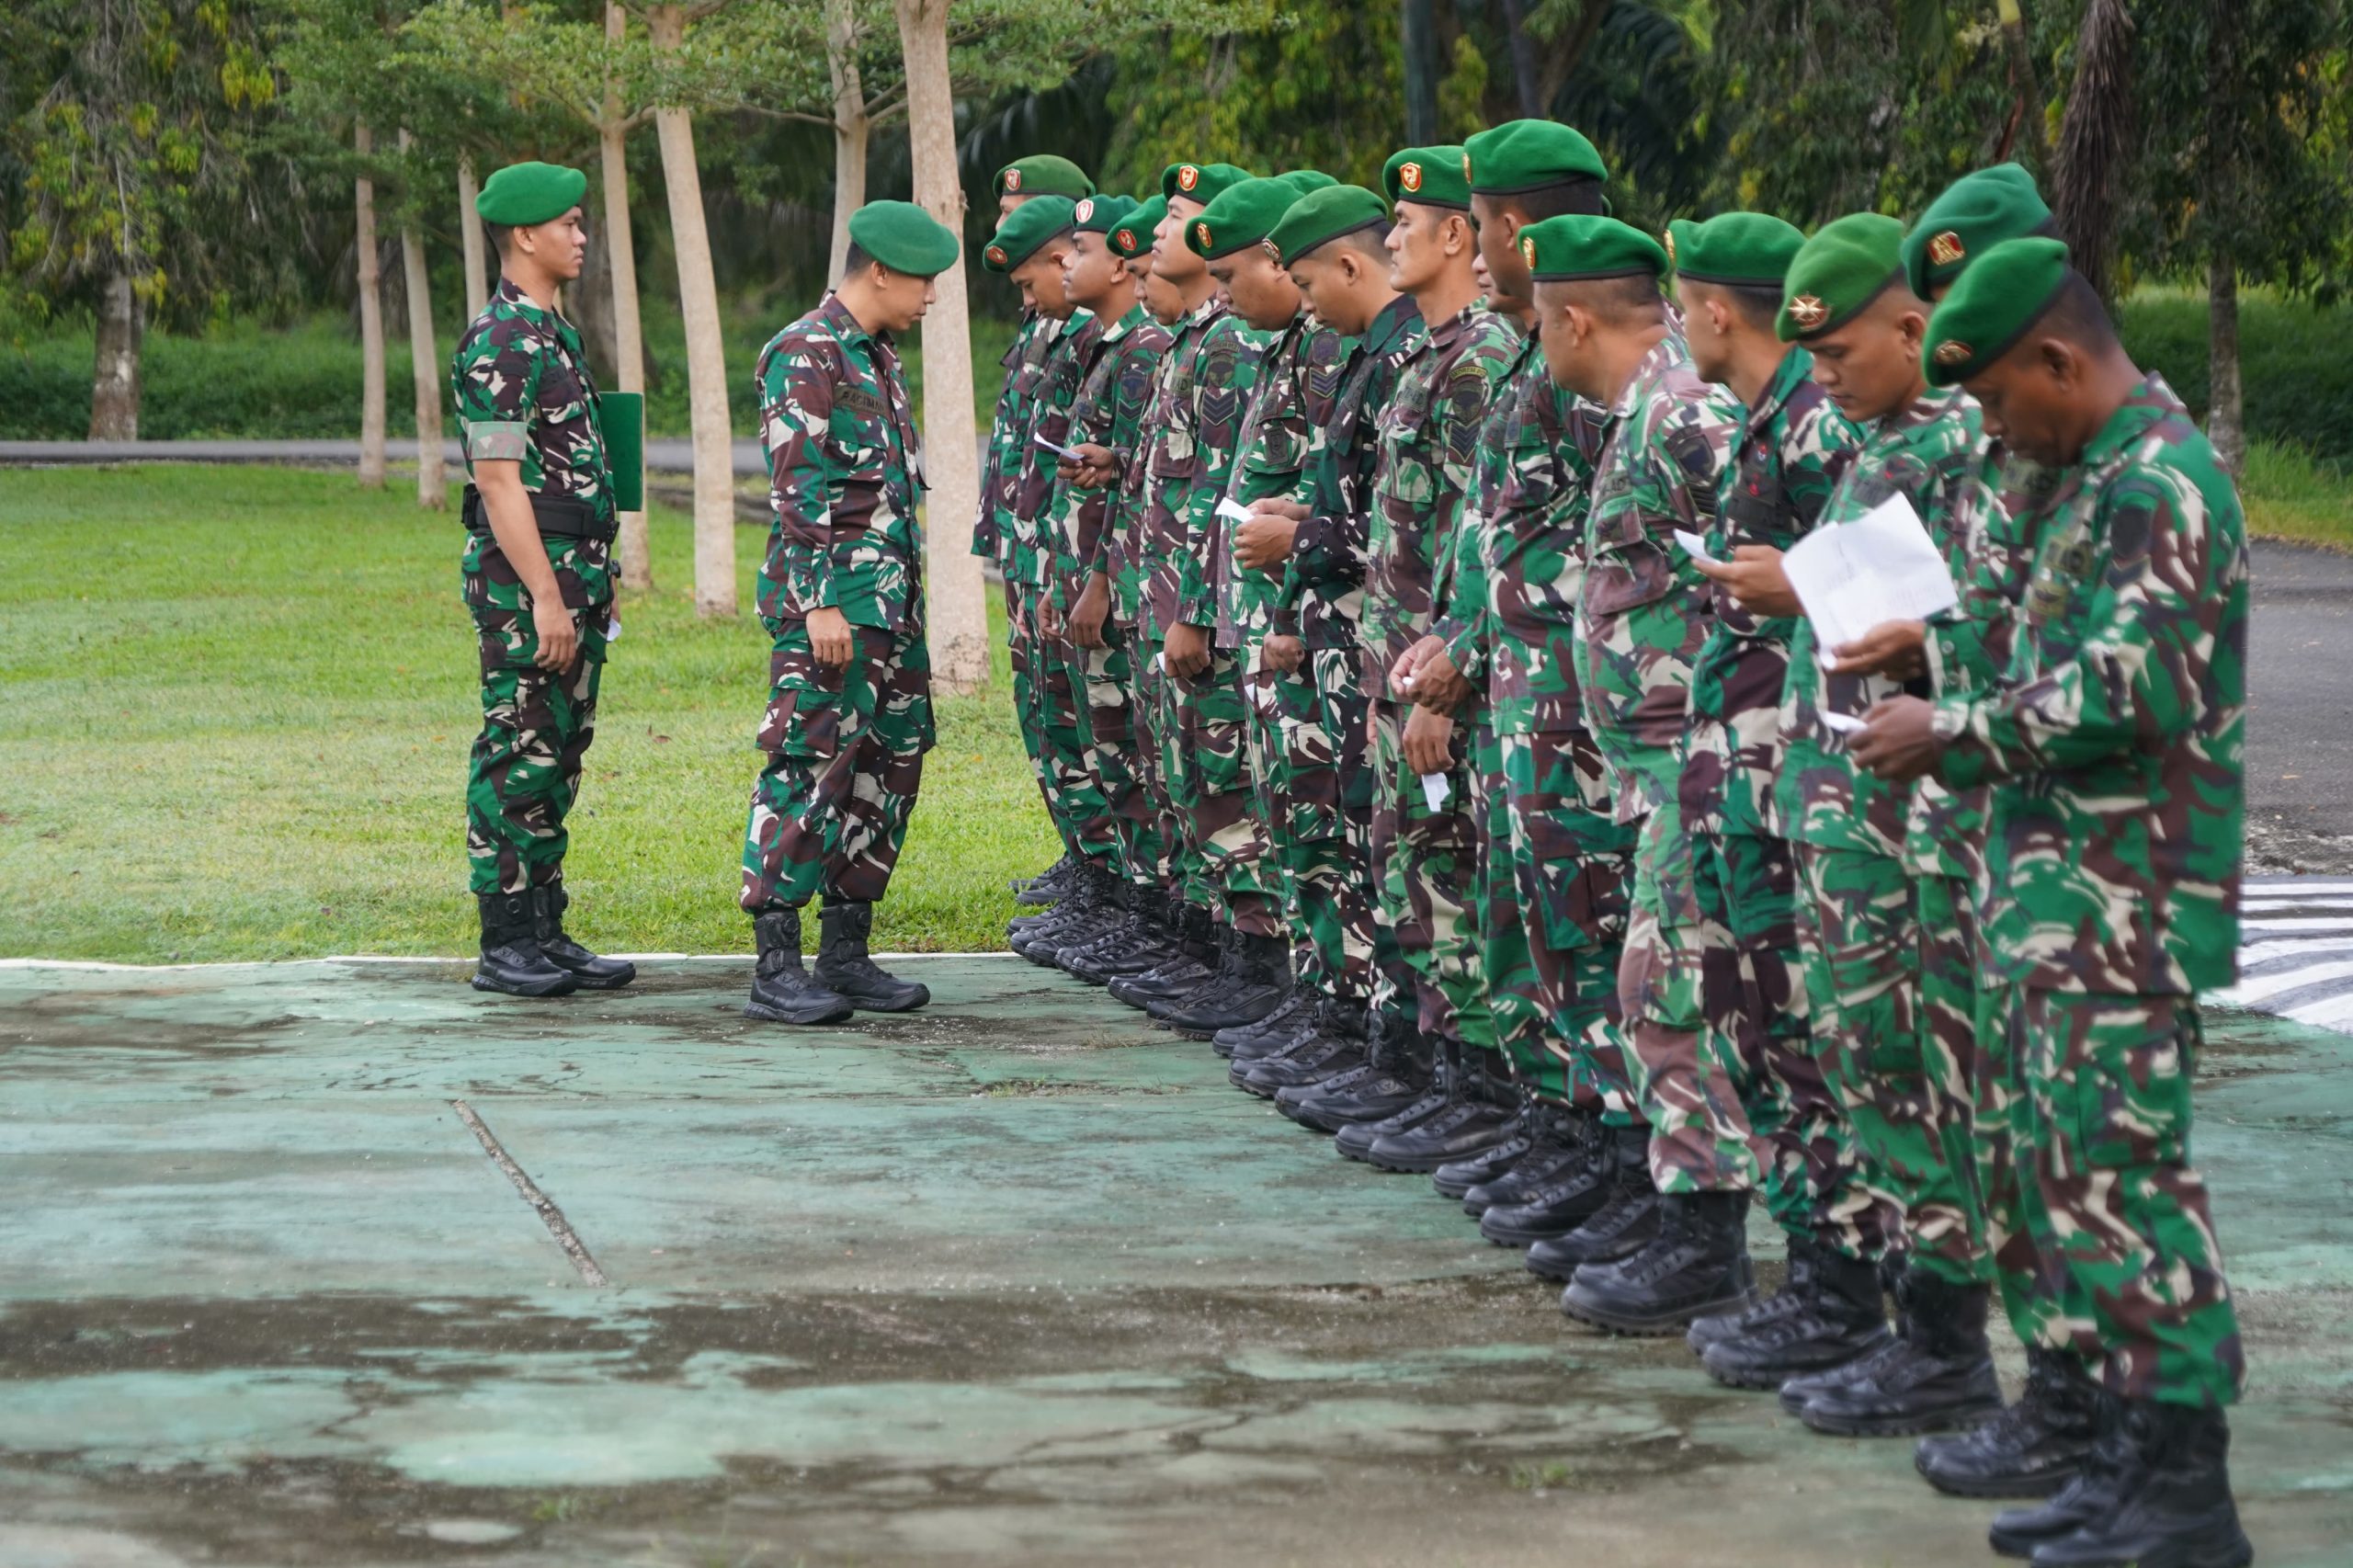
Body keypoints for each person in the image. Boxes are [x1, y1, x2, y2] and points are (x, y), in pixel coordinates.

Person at [1853, 238, 2253, 1568]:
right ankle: (2112, 1448)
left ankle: (2182, 1482)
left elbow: (2130, 685)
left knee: (2124, 1183)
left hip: (2123, 903)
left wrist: (1951, 728)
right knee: (2060, 1176)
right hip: (2048, 895)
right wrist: (1933, 653)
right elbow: (2038, 641)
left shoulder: (2161, 481)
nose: (1987, 427)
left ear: (2058, 361)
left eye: (1994, 399)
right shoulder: (2084, 477)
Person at [1702, 213, 2007, 1434]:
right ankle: (1891, 1316)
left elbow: (1964, 616)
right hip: (1839, 804)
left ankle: (1941, 1343)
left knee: (1913, 1069)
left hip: (1906, 815)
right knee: (1858, 1059)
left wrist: (1804, 583)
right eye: (1812, 358)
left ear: (1916, 330)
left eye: (1839, 354)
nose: (1820, 377)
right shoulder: (1873, 436)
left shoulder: (1962, 444)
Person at [1522, 211, 1757, 1335]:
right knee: (1655, 983)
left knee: (1670, 990)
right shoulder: (1646, 408)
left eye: (1539, 319)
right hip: (1657, 760)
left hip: (1699, 761)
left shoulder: (1684, 409)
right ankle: (1676, 1210)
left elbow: (1783, 557)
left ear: (1573, 319)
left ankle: (1705, 1239)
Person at [1316, 146, 1520, 1173]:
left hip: (1448, 681)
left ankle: (1476, 1093)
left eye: (1406, 222)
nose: (1390, 236)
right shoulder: (1431, 359)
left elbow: (1484, 544)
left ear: (1456, 234)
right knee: (1409, 873)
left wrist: (1449, 679)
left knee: (1448, 876)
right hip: (1399, 671)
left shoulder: (1480, 362)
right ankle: (1431, 1074)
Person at [738, 200, 960, 1025]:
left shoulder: (878, 356)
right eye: (923, 281)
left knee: (888, 769)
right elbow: (798, 492)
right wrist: (820, 603)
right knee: (808, 764)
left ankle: (845, 952)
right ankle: (776, 965)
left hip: (891, 608)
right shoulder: (806, 353)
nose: (930, 297)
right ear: (880, 271)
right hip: (832, 608)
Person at [1233, 181, 1425, 1100]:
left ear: (1350, 265)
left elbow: (1415, 531)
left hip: (1387, 646)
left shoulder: (1409, 358)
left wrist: (1300, 536)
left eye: (1307, 284)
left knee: (1384, 847)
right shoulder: (1367, 356)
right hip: (1346, 640)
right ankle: (1346, 1018)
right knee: (1342, 830)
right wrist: (1302, 516)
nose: (1304, 304)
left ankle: (1394, 1048)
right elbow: (1360, 500)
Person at [449, 160, 635, 999]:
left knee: (558, 756)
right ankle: (505, 942)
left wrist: (600, 573)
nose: (580, 235)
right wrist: (547, 597)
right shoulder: (498, 340)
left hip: (575, 577)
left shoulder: (554, 333)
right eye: (567, 223)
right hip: (528, 589)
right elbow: (498, 484)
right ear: (525, 235)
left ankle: (545, 929)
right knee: (516, 753)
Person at [1106, 162, 1265, 1017]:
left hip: (1200, 612)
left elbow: (1219, 498)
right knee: (1186, 781)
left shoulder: (1228, 344)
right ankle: (1209, 951)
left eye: (1176, 216)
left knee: (1223, 786)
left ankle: (1249, 971)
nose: (1160, 231)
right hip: (1164, 601)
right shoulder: (1193, 341)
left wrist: (1195, 610)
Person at [1029, 196, 1178, 984]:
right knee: (1109, 750)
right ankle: (1124, 904)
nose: (1065, 263)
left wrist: (1095, 582)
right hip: (1096, 578)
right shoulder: (1110, 347)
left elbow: (1144, 493)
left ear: (1120, 263)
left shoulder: (1144, 349)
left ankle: (1149, 915)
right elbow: (1125, 471)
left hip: (1127, 589)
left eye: (1077, 250)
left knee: (1136, 757)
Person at [980, 155, 1097, 910]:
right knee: (1044, 709)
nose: (1006, 225)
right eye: (1002, 212)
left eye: (1020, 212)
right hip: (1027, 545)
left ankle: (1100, 862)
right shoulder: (1040, 318)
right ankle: (1078, 850)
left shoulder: (1087, 322)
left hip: (1063, 552)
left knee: (1079, 712)